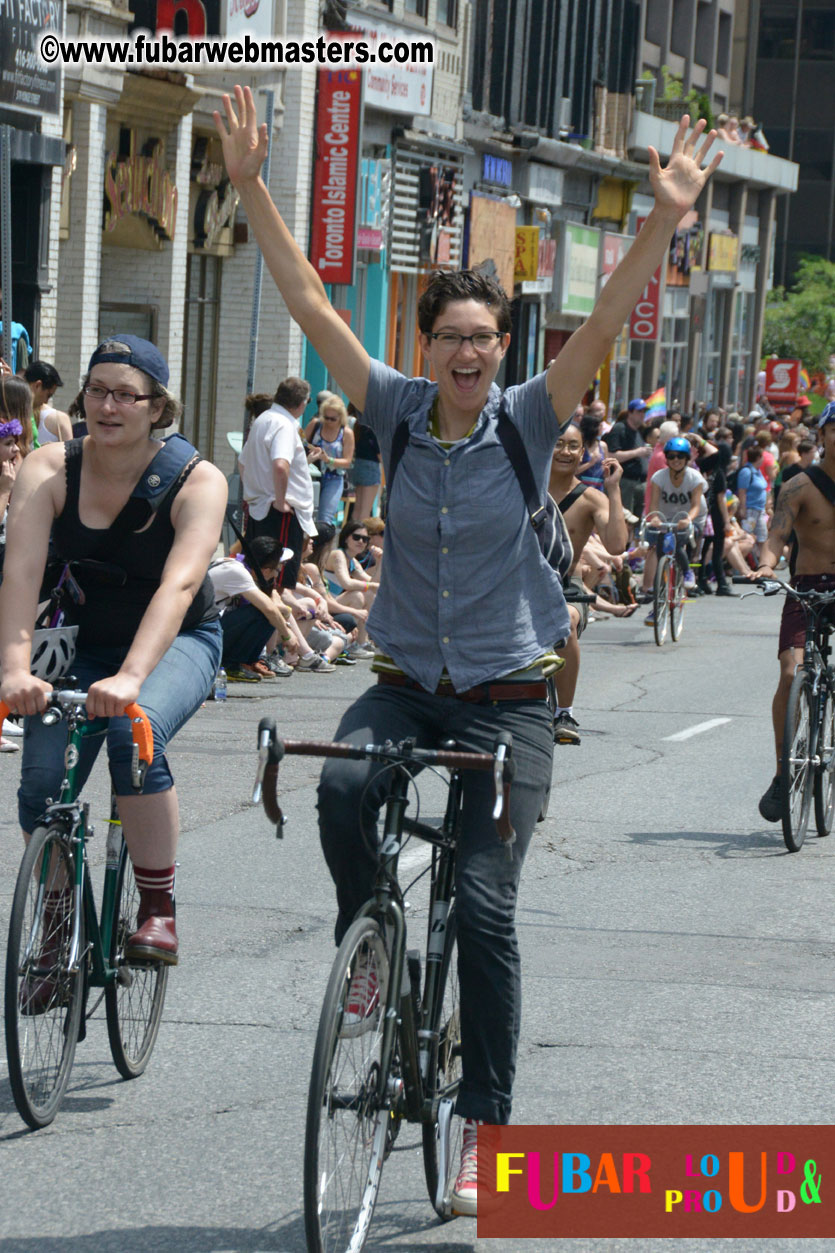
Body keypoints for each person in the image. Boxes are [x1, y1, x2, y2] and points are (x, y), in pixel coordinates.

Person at [214, 85, 722, 1214]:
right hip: (402, 682)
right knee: (344, 790)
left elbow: (603, 323)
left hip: (507, 699)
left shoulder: (529, 417)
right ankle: (371, 952)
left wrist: (663, 221)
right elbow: (305, 299)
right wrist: (250, 180)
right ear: (424, 345)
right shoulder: (391, 407)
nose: (464, 353)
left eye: (482, 339)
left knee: (486, 911)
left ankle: (488, 1125)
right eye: (447, 336)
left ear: (501, 350)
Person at [0, 334, 227, 966]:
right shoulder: (51, 467)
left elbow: (181, 585)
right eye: (97, 390)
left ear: (158, 407)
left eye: (127, 395)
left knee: (135, 735)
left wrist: (131, 677)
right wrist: (16, 670)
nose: (108, 406)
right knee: (42, 782)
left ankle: (157, 908)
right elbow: (19, 572)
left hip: (176, 639)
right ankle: (59, 924)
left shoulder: (196, 479)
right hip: (79, 641)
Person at [755, 402, 835, 823]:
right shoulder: (799, 486)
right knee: (790, 673)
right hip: (807, 588)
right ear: (821, 435)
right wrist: (767, 565)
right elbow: (776, 536)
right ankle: (784, 771)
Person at [548, 426, 629, 745]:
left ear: (583, 454)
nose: (565, 452)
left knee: (565, 620)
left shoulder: (590, 498)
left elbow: (617, 544)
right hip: (521, 586)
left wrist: (614, 490)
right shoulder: (524, 489)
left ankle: (564, 712)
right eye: (557, 444)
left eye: (573, 446)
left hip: (566, 587)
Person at [238, 375, 316, 591]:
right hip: (278, 512)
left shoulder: (263, 419)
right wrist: (280, 501)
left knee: (258, 576)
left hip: (260, 508)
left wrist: (255, 493)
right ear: (302, 404)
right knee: (277, 583)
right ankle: (272, 624)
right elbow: (280, 465)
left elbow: (242, 463)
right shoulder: (284, 424)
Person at [643, 436, 707, 624]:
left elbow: (696, 505)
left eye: (680, 456)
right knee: (662, 553)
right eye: (671, 456)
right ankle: (658, 605)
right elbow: (653, 504)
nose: (675, 460)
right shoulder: (659, 477)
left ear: (687, 458)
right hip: (665, 518)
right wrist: (654, 517)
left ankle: (687, 572)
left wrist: (688, 519)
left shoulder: (695, 478)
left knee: (678, 544)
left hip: (689, 519)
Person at [304, 391, 355, 525]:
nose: (329, 421)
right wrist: (310, 450)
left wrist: (329, 460)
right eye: (326, 417)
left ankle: (321, 545)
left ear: (341, 417)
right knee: (306, 515)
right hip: (311, 475)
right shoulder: (315, 424)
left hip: (334, 478)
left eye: (333, 419)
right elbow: (300, 443)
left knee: (325, 519)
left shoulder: (346, 433)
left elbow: (347, 461)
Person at [606, 398, 651, 518]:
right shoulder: (620, 428)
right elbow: (611, 455)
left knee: (636, 521)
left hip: (639, 484)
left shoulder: (638, 431)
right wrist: (637, 452)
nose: (642, 415)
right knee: (624, 519)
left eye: (644, 412)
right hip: (625, 482)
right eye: (639, 412)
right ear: (630, 413)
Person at [23, 360, 72, 447]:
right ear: (37, 385)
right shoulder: (60, 419)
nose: (46, 401)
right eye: (48, 395)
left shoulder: (9, 412)